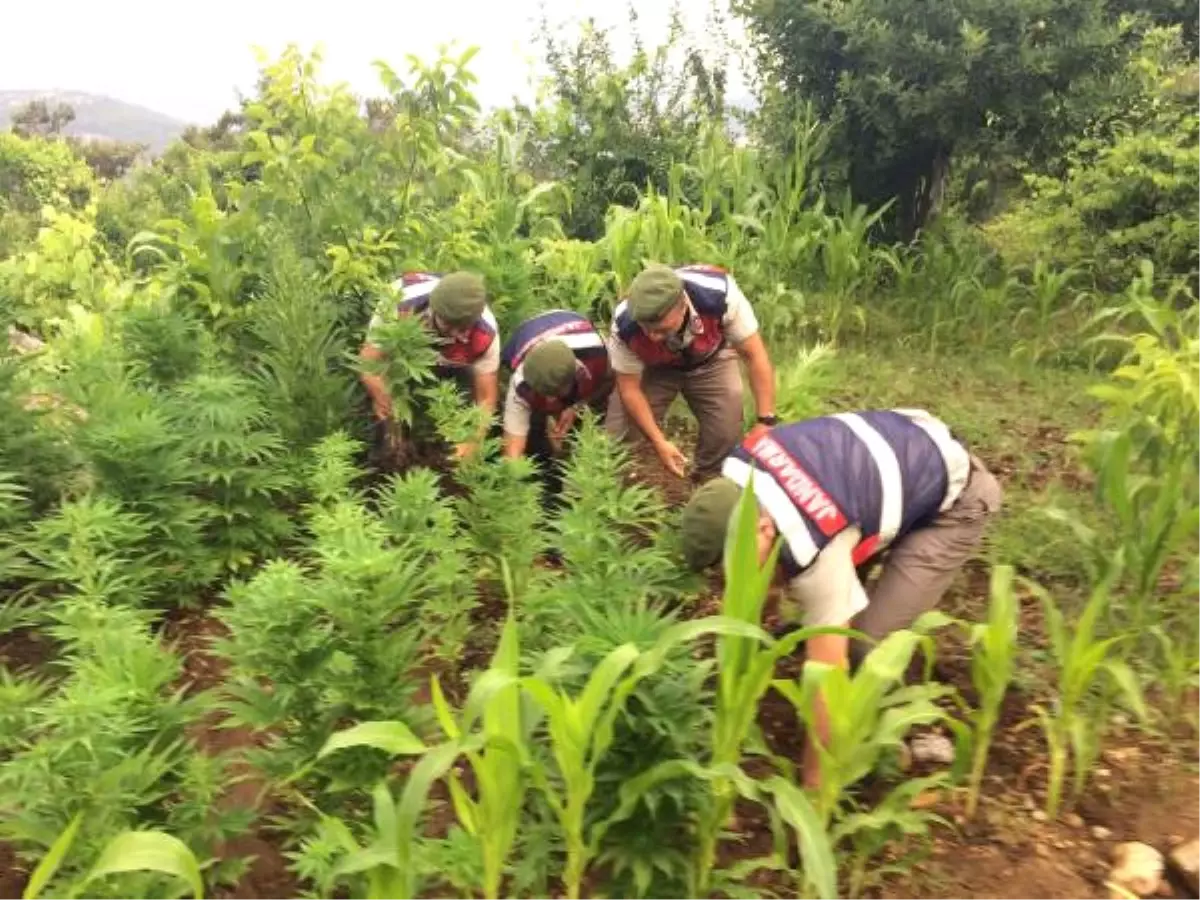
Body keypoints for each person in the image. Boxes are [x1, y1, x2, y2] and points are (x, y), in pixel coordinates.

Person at [678, 408, 1002, 788]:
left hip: (954, 501)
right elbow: (755, 589)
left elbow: (828, 677)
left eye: (738, 562)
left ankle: (903, 729)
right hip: (894, 453)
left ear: (764, 527)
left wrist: (815, 795)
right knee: (814, 609)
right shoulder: (741, 481)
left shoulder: (817, 550)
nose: (733, 580)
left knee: (864, 645)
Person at [605, 262, 777, 483]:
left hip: (711, 358)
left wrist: (765, 421)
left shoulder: (719, 295)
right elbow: (629, 389)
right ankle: (614, 491)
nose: (652, 337)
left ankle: (708, 484)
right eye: (645, 328)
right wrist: (659, 441)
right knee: (619, 432)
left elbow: (755, 355)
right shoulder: (624, 323)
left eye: (661, 329)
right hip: (654, 367)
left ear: (683, 305)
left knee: (724, 432)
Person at [359, 270, 500, 460]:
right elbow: (369, 361)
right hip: (402, 357)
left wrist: (473, 438)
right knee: (387, 430)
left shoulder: (486, 334)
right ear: (434, 310)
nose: (454, 335)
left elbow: (486, 397)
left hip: (456, 364)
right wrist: (382, 396)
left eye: (462, 330)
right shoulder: (399, 306)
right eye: (448, 326)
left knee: (457, 429)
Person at [499, 309, 612, 461]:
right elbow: (512, 448)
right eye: (544, 393)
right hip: (526, 336)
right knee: (535, 434)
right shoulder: (521, 384)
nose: (551, 400)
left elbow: (608, 382)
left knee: (593, 411)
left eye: (556, 393)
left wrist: (576, 405)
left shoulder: (596, 354)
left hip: (571, 327)